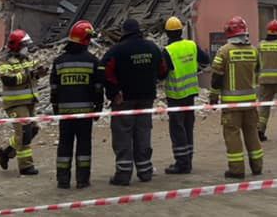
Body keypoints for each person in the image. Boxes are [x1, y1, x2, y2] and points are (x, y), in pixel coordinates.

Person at [101, 19, 168, 185]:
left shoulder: (116, 50)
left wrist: (114, 92)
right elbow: (163, 70)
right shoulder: (152, 48)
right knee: (143, 132)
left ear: (124, 32)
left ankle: (123, 174)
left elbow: (104, 72)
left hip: (124, 99)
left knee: (123, 134)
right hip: (146, 98)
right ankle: (145, 171)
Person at [51, 20, 104, 189]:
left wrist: (56, 107)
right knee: (84, 146)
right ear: (85, 40)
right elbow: (98, 87)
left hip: (65, 113)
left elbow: (54, 88)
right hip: (85, 113)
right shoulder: (93, 61)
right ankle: (82, 179)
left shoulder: (59, 61)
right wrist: (98, 106)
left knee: (64, 146)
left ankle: (63, 180)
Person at [210, 16, 263, 179]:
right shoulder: (254, 50)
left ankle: (237, 169)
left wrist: (213, 96)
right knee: (252, 133)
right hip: (250, 102)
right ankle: (257, 167)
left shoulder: (224, 51)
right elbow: (258, 72)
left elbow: (217, 77)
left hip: (232, 105)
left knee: (232, 136)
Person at [160, 16, 210, 174]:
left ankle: (182, 163)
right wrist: (195, 68)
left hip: (175, 95)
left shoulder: (168, 51)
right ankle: (188, 159)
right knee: (188, 126)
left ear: (167, 33)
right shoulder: (191, 45)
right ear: (181, 31)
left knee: (177, 128)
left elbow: (162, 74)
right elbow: (206, 60)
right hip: (190, 93)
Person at [0, 29, 47, 176]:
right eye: (25, 44)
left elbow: (33, 74)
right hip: (15, 103)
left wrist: (39, 72)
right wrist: (29, 74)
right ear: (17, 45)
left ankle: (7, 152)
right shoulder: (5, 61)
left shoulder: (27, 59)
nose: (27, 48)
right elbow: (9, 80)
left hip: (29, 102)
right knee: (24, 132)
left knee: (33, 130)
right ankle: (26, 167)